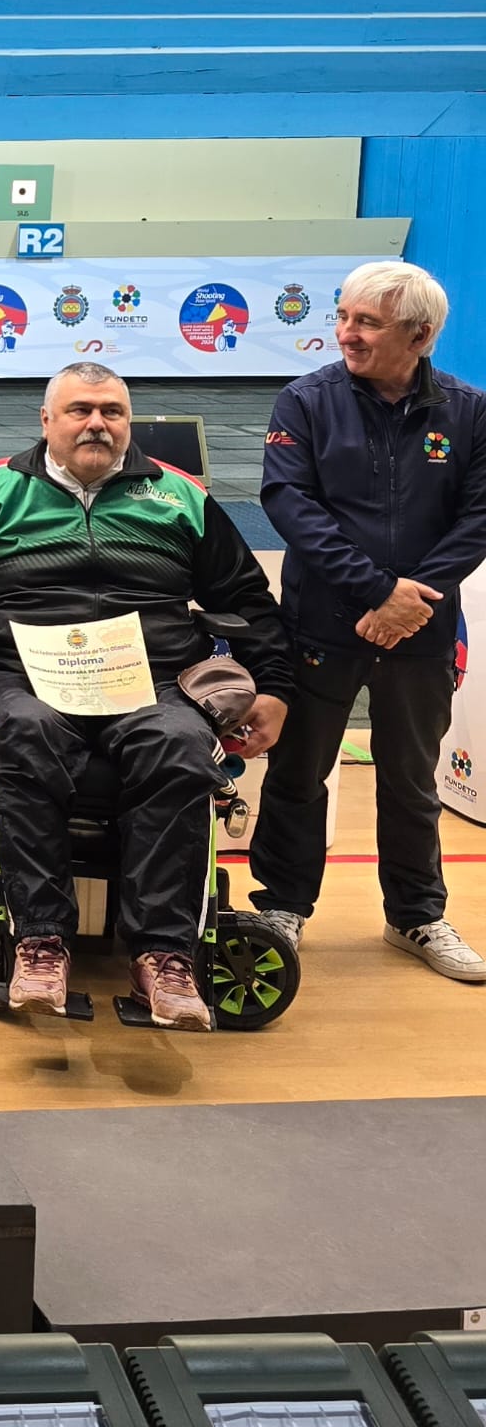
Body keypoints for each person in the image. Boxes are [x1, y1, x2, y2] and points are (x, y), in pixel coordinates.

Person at [0, 361, 294, 1029]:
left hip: (152, 678)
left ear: (128, 423)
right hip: (25, 672)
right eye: (80, 410)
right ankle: (40, 941)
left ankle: (163, 956)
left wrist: (274, 688)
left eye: (112, 411)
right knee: (22, 732)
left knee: (180, 742)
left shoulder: (179, 497)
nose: (97, 423)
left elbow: (248, 601)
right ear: (46, 421)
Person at [250, 260, 486, 982]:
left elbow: (478, 517)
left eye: (367, 322)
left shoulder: (469, 411)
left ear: (419, 335)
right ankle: (283, 904)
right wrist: (377, 592)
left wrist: (413, 601)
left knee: (413, 777)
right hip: (324, 621)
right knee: (299, 771)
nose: (345, 333)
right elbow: (290, 506)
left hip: (419, 630)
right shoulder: (306, 401)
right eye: (344, 316)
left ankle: (415, 914)